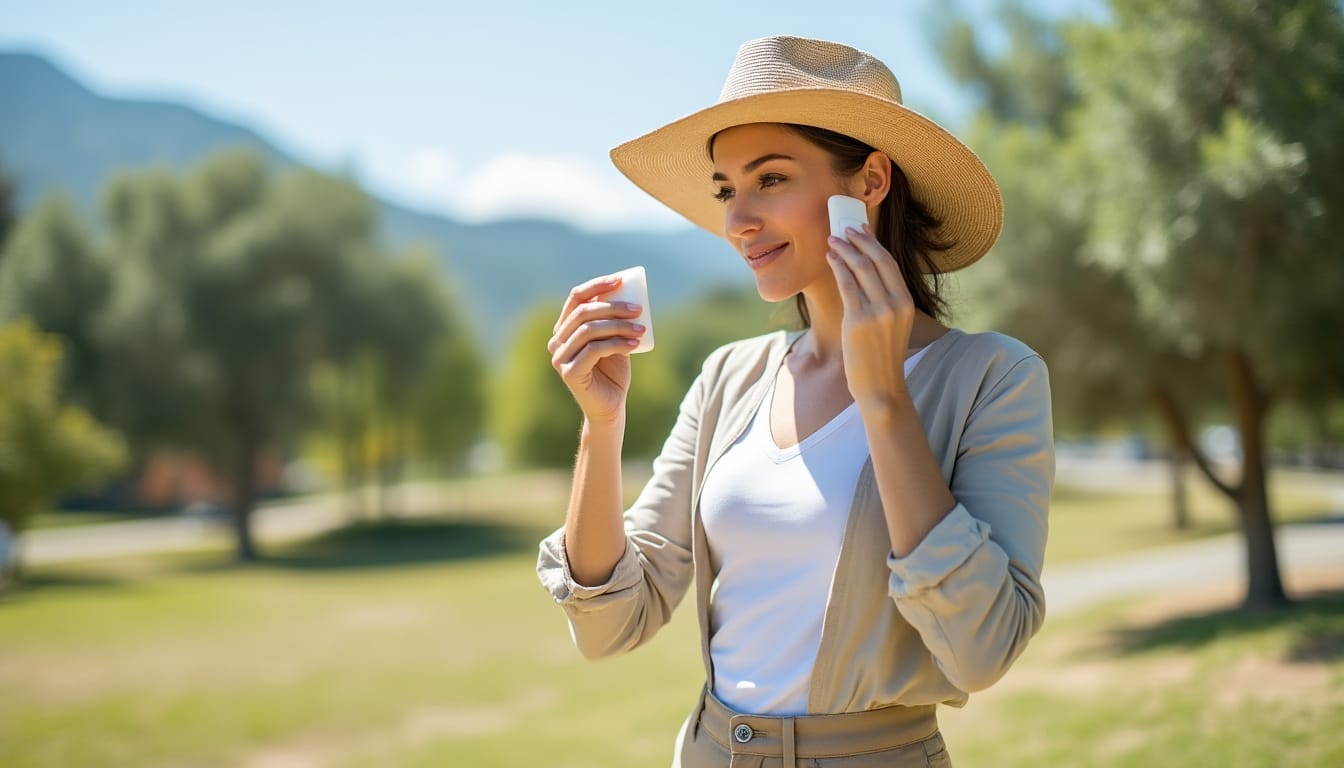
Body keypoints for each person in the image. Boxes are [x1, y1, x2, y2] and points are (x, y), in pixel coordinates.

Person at [537, 35, 1053, 767]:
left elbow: (984, 649)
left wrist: (884, 398)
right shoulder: (728, 378)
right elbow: (608, 626)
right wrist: (601, 423)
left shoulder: (992, 378)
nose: (736, 221)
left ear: (870, 181)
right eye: (726, 190)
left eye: (770, 179)